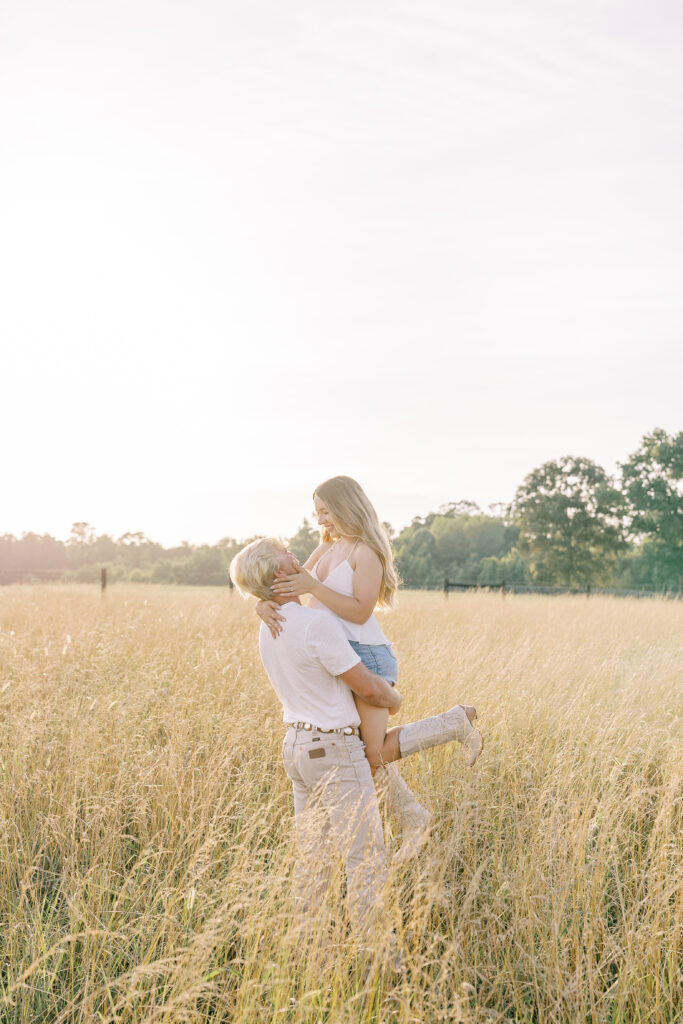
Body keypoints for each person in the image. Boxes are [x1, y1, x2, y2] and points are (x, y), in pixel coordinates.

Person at [255, 476, 483, 862]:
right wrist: (262, 605)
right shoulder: (325, 548)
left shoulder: (366, 553)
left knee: (369, 756)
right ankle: (441, 754)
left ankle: (426, 791)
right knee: (360, 753)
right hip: (336, 657)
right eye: (317, 514)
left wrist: (314, 585)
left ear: (346, 507)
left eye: (325, 512)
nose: (321, 521)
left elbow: (361, 609)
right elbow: (288, 588)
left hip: (367, 656)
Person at [229, 536, 401, 949]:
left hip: (297, 749)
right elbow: (370, 690)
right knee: (365, 860)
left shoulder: (267, 625)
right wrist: (394, 699)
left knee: (314, 862)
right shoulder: (315, 625)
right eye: (288, 554)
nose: (297, 557)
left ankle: (312, 957)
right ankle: (380, 964)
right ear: (279, 573)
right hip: (335, 752)